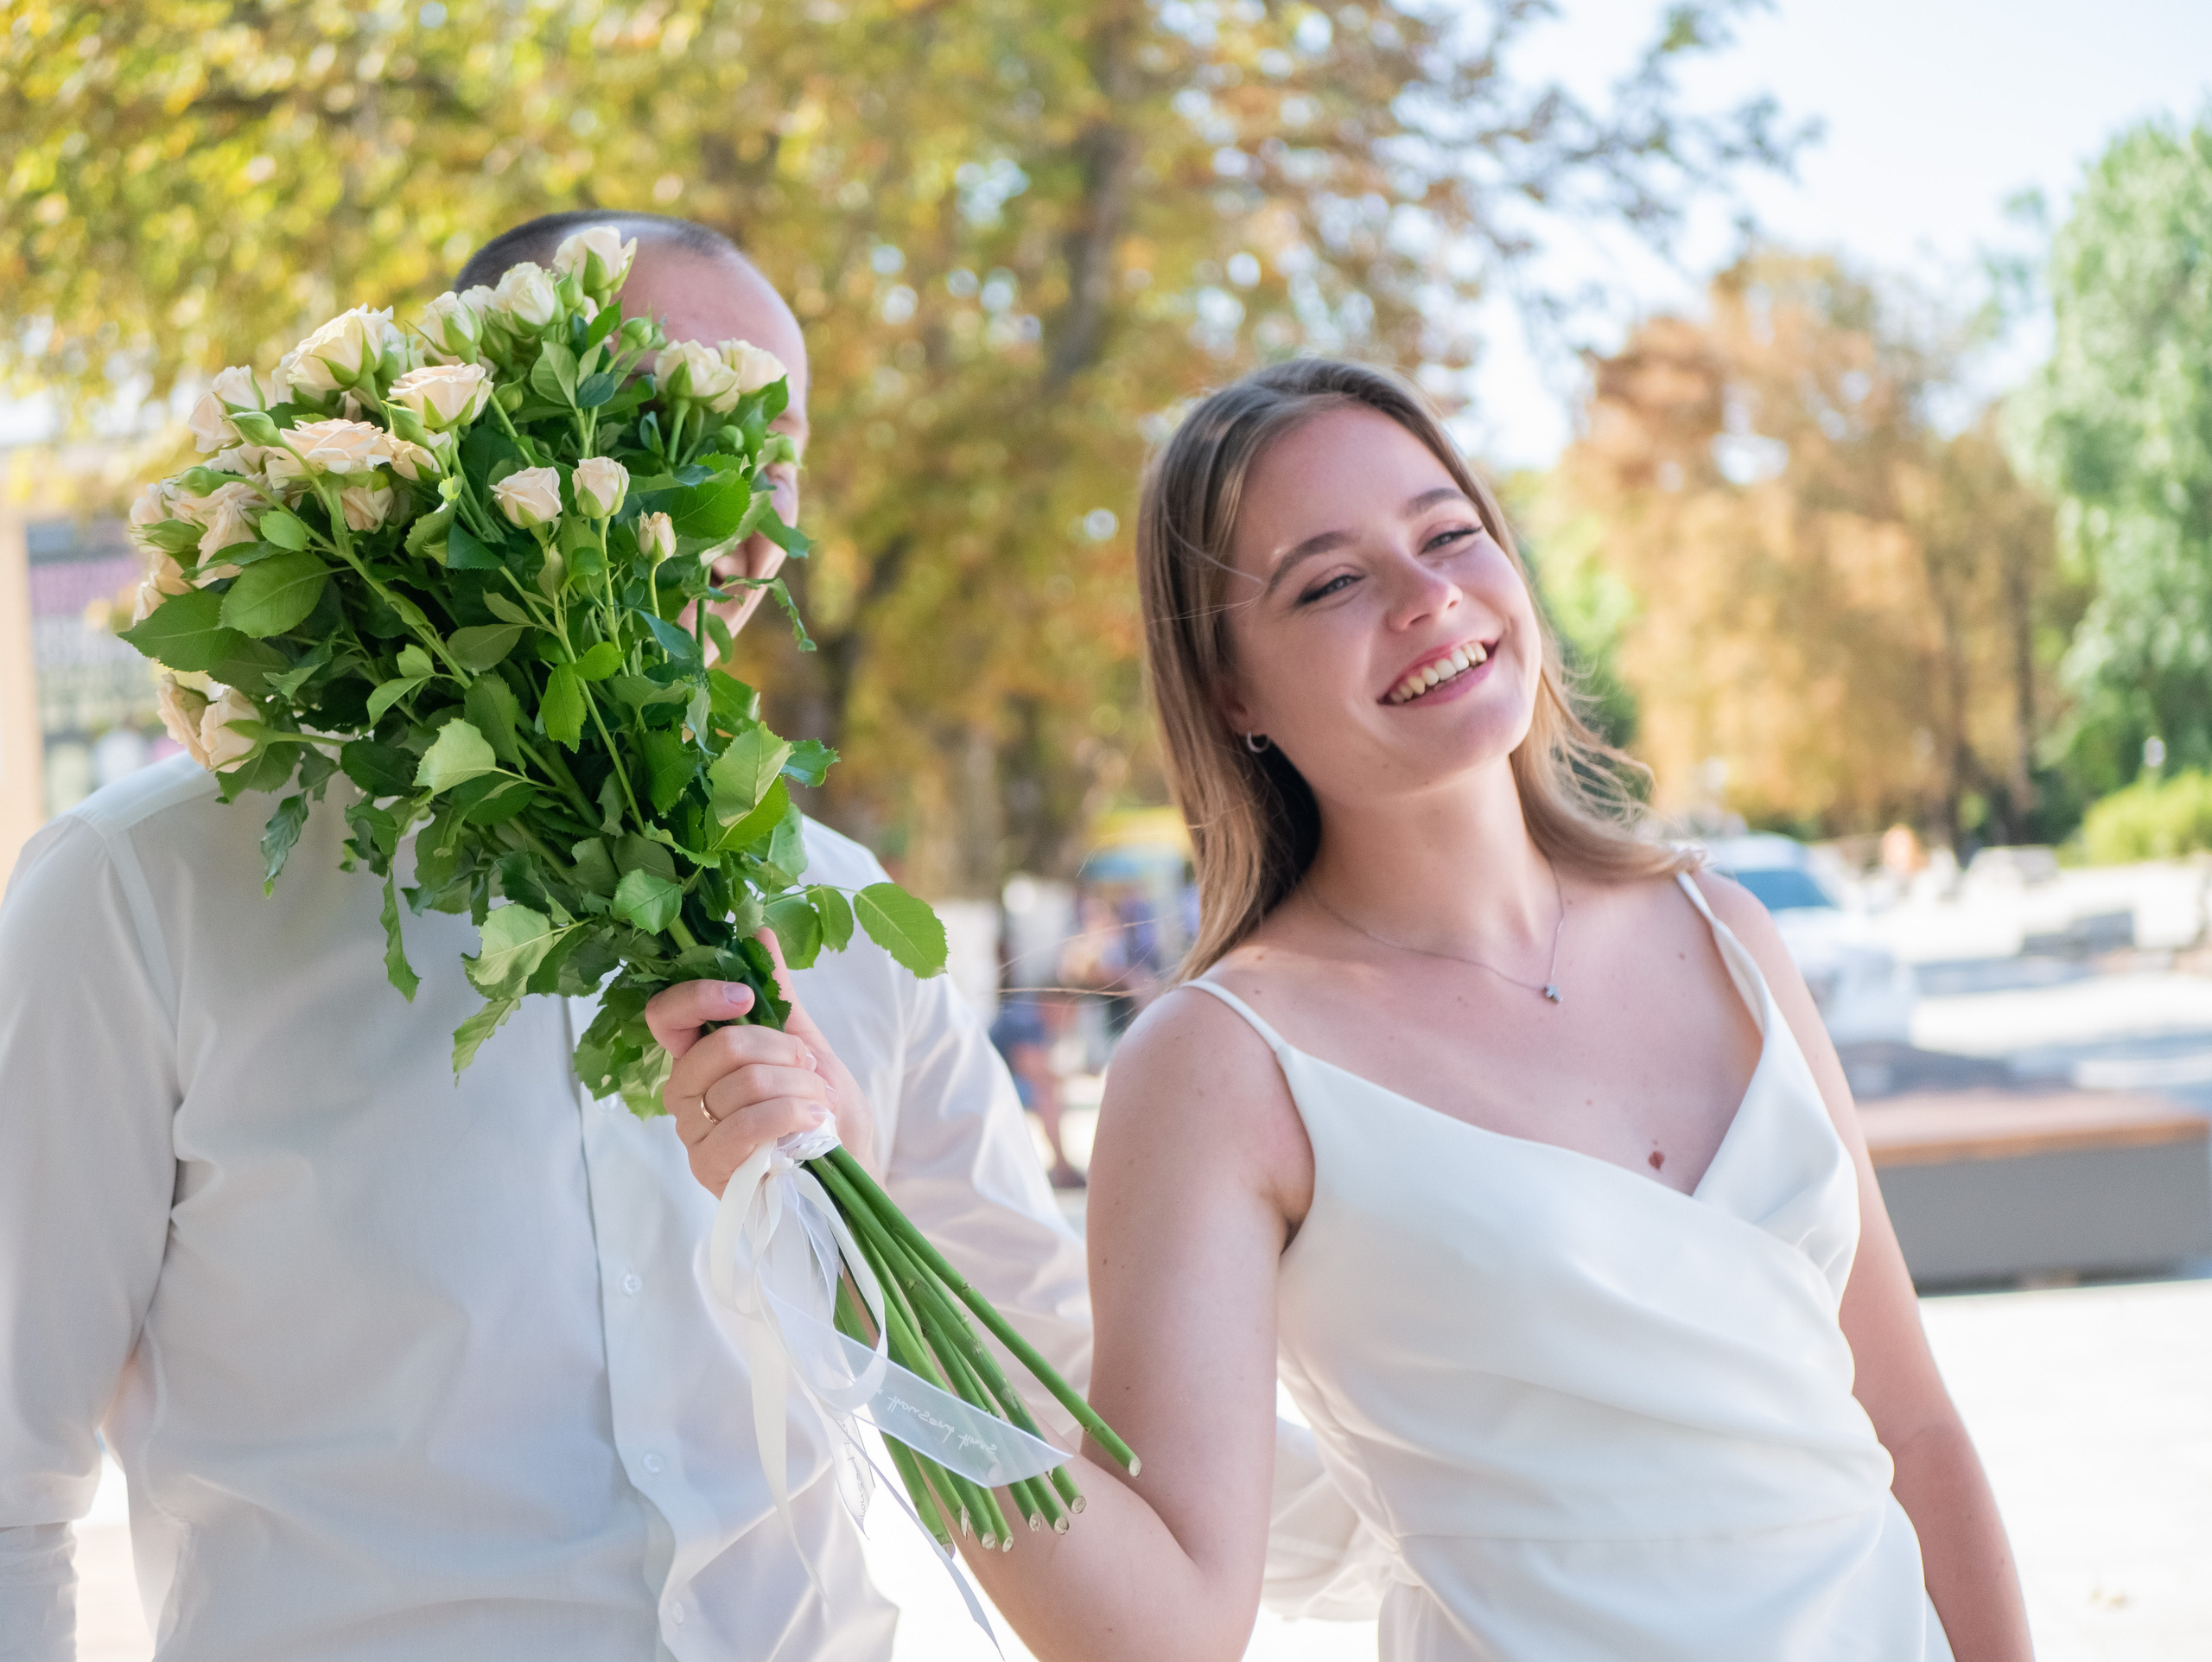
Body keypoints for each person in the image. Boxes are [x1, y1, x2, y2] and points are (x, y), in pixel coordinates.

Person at [682, 359, 2035, 1659]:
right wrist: (844, 1270)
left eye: (1449, 533)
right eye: (1331, 581)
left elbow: (1913, 1430)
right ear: (1232, 692)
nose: (1427, 596)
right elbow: (1159, 1628)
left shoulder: (1725, 931)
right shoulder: (1223, 1067)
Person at [988, 985, 1084, 1188]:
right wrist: (1067, 1078)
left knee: (1047, 1091)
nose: (1072, 1018)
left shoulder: (1033, 1019)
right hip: (989, 1089)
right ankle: (1062, 1168)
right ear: (1054, 1004)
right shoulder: (1025, 1018)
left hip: (1000, 1084)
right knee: (1046, 1093)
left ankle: (1061, 1166)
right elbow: (1030, 1067)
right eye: (1071, 1010)